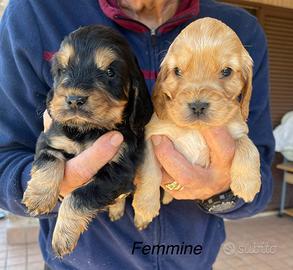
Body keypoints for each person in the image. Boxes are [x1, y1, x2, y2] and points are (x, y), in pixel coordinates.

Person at [0, 0, 274, 269]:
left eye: (109, 73)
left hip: (194, 261)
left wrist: (220, 191)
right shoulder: (34, 11)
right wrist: (54, 185)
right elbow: (6, 161)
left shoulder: (243, 31)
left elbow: (259, 183)